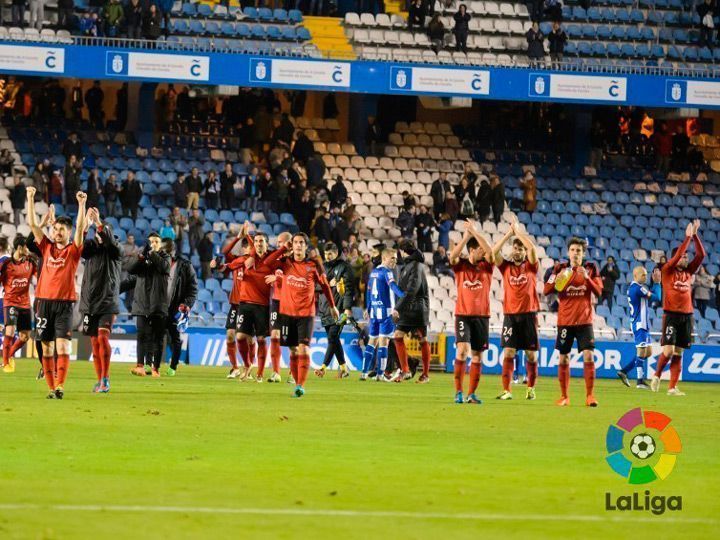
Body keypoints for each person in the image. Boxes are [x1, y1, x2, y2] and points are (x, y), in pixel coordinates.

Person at [26, 187, 88, 399]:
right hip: (43, 302)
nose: (57, 232)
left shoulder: (73, 251)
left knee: (62, 346)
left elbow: (81, 227)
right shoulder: (45, 247)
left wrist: (81, 205)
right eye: (55, 229)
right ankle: (52, 389)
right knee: (47, 348)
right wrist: (30, 198)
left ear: (68, 232)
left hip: (64, 304)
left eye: (62, 229)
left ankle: (60, 385)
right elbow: (33, 224)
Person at [275, 233, 338, 397]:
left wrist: (332, 306)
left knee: (303, 348)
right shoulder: (285, 262)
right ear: (292, 245)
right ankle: (297, 383)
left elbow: (324, 286)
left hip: (306, 313)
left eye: (301, 243)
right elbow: (268, 262)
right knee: (293, 350)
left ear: (306, 246)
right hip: (287, 312)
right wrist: (283, 248)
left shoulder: (314, 264)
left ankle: (300, 386)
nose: (298, 245)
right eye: (295, 242)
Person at [543, 237, 603, 407]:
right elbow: (546, 290)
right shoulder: (559, 268)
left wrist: (587, 279)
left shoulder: (591, 269)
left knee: (589, 355)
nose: (576, 253)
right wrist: (557, 278)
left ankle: (590, 396)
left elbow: (599, 292)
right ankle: (564, 397)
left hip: (585, 321)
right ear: (568, 252)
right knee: (563, 359)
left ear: (583, 253)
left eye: (579, 251)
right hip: (565, 322)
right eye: (573, 250)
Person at [224, 224, 289, 382]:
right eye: (256, 241)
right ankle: (244, 365)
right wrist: (241, 237)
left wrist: (284, 252)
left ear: (267, 244)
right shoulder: (244, 260)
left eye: (262, 241)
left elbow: (290, 272)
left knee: (261, 339)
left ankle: (262, 373)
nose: (258, 243)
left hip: (264, 305)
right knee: (238, 336)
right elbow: (225, 256)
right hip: (241, 303)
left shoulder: (271, 260)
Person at [651, 220, 705, 396]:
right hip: (671, 315)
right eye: (683, 257)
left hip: (687, 315)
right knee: (668, 350)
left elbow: (701, 255)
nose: (686, 258)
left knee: (679, 351)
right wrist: (687, 238)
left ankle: (672, 387)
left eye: (687, 257)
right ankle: (657, 375)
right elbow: (679, 252)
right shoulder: (667, 270)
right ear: (675, 257)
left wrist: (695, 236)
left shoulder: (689, 272)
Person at [492, 220, 540, 400]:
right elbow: (493, 252)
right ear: (512, 250)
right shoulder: (506, 267)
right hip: (510, 315)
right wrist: (508, 235)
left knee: (531, 355)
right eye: (515, 248)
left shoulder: (531, 266)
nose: (518, 251)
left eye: (520, 249)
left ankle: (531, 388)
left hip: (528, 314)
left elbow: (533, 250)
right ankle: (507, 390)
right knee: (509, 352)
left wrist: (519, 233)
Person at [449, 222, 493, 403]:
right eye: (479, 250)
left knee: (477, 355)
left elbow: (490, 251)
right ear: (472, 250)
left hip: (482, 316)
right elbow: (452, 256)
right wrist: (467, 236)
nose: (483, 252)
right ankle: (458, 392)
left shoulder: (487, 266)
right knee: (462, 351)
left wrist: (475, 231)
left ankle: (471, 394)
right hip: (463, 315)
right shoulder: (461, 266)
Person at [79, 208, 121, 393]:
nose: (99, 235)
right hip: (89, 302)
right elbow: (78, 247)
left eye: (102, 232)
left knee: (103, 338)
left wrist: (98, 222)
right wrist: (85, 227)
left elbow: (111, 242)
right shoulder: (91, 248)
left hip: (107, 301)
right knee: (95, 343)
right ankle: (99, 380)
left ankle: (106, 378)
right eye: (97, 233)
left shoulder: (115, 250)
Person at [125, 232, 170, 377]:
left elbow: (164, 267)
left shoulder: (165, 257)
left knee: (157, 337)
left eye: (156, 241)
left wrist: (152, 254)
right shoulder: (142, 257)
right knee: (141, 335)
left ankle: (155, 368)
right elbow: (131, 269)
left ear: (160, 244)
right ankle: (140, 366)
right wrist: (142, 257)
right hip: (142, 303)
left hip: (158, 304)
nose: (154, 244)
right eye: (151, 242)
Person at [362, 248, 404, 381]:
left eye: (396, 258)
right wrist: (404, 296)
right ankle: (380, 374)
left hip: (374, 312)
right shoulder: (387, 272)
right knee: (383, 343)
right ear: (384, 258)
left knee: (371, 342)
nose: (395, 261)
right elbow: (393, 286)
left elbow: (368, 292)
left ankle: (363, 373)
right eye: (392, 258)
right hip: (385, 313)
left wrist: (368, 308)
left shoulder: (373, 273)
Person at [315, 243, 356, 379]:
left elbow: (348, 290)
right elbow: (314, 286)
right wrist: (326, 285)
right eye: (326, 254)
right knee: (334, 340)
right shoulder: (322, 268)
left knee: (332, 337)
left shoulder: (345, 267)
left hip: (339, 309)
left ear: (336, 253)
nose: (327, 257)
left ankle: (323, 367)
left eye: (330, 254)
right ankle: (344, 368)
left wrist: (347, 308)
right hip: (324, 308)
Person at [393, 239, 431, 383]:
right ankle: (408, 371)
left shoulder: (415, 265)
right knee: (400, 336)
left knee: (419, 339)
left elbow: (412, 289)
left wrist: (398, 308)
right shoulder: (411, 264)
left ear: (402, 251)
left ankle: (420, 373)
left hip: (416, 308)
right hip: (412, 308)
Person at [617, 266, 661, 390]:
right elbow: (657, 297)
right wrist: (657, 283)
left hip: (644, 324)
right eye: (643, 275)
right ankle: (640, 381)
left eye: (646, 275)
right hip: (639, 324)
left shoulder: (635, 288)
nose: (646, 277)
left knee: (648, 352)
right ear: (635, 275)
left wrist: (655, 285)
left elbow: (650, 294)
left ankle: (624, 371)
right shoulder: (637, 288)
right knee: (641, 352)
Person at [0, 235, 37, 373]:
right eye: (27, 246)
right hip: (10, 302)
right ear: (20, 248)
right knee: (9, 331)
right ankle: (5, 363)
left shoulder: (30, 262)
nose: (29, 249)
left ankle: (8, 357)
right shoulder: (6, 264)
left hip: (25, 304)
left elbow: (40, 276)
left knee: (25, 336)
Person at [161, 238, 197, 376]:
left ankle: (173, 366)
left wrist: (186, 304)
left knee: (174, 338)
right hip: (158, 306)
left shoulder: (184, 265)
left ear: (172, 249)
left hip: (175, 308)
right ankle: (151, 366)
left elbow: (193, 288)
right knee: (155, 337)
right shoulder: (157, 263)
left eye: (167, 249)